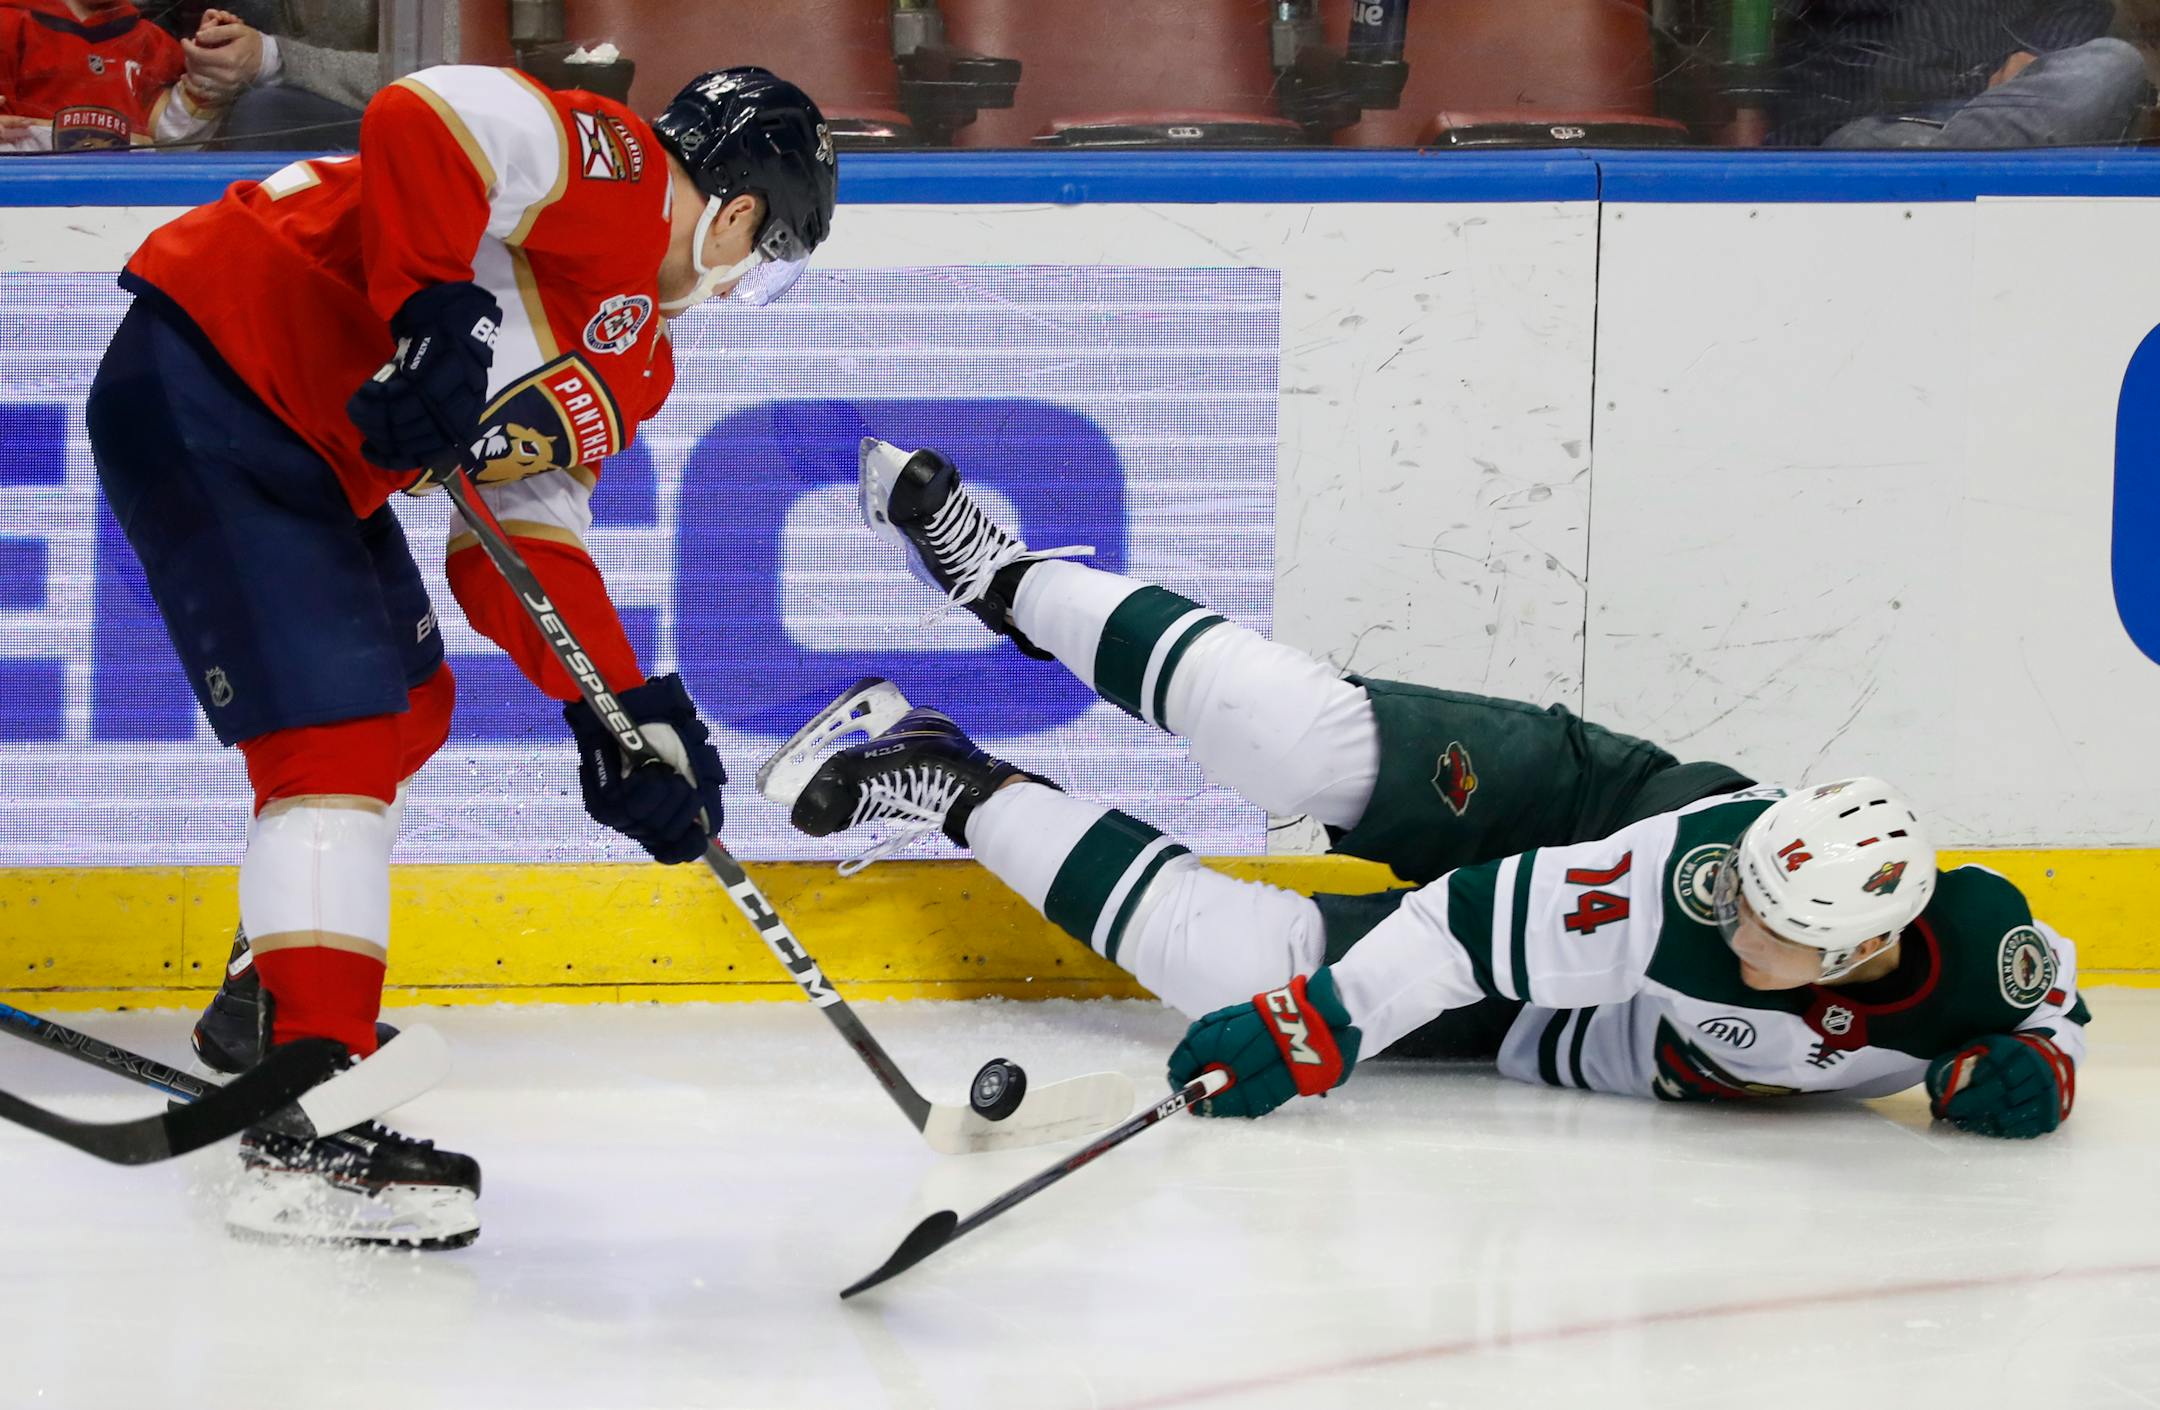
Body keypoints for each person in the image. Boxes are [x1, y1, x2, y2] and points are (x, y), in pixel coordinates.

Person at [781, 438, 2088, 1138]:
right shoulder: (1683, 894)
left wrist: (2039, 1066)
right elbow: (1460, 929)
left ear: (1865, 942)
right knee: (1284, 737)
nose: (1746, 927)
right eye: (1753, 896)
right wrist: (1313, 1036)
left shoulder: (1985, 947)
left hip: (1559, 1033)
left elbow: (2056, 1005)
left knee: (1225, 963)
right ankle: (1005, 576)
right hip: (1588, 817)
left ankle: (947, 778)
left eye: (1785, 933)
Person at [85, 64, 836, 1246]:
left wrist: (621, 711)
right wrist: (437, 304)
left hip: (303, 453)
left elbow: (520, 550)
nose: (741, 286)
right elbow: (422, 116)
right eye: (766, 264)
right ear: (739, 215)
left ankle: (270, 1004)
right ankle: (307, 1119)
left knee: (407, 706)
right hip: (217, 372)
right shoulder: (622, 172)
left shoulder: (635, 364)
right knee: (330, 744)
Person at [1770, 0, 2149, 148]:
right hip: (1866, 133)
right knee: (1867, 145)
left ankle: (1947, 162)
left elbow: (2029, 76)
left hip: (1997, 126)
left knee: (2115, 63)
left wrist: (2032, 65)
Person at [0, 0, 257, 151]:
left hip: (132, 200)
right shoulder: (9, 24)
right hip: (27, 201)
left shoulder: (151, 41)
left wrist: (207, 70)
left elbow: (169, 136)